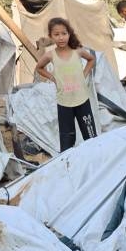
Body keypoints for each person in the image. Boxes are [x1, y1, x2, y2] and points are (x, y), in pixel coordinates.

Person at [34, 17, 97, 152]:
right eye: (56, 34)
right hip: (64, 104)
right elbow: (39, 68)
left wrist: (84, 74)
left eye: (64, 33)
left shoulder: (78, 51)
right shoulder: (50, 55)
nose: (61, 38)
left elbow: (91, 59)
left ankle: (94, 160)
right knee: (67, 140)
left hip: (82, 101)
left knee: (91, 137)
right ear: (51, 36)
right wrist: (53, 78)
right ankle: (68, 166)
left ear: (69, 34)